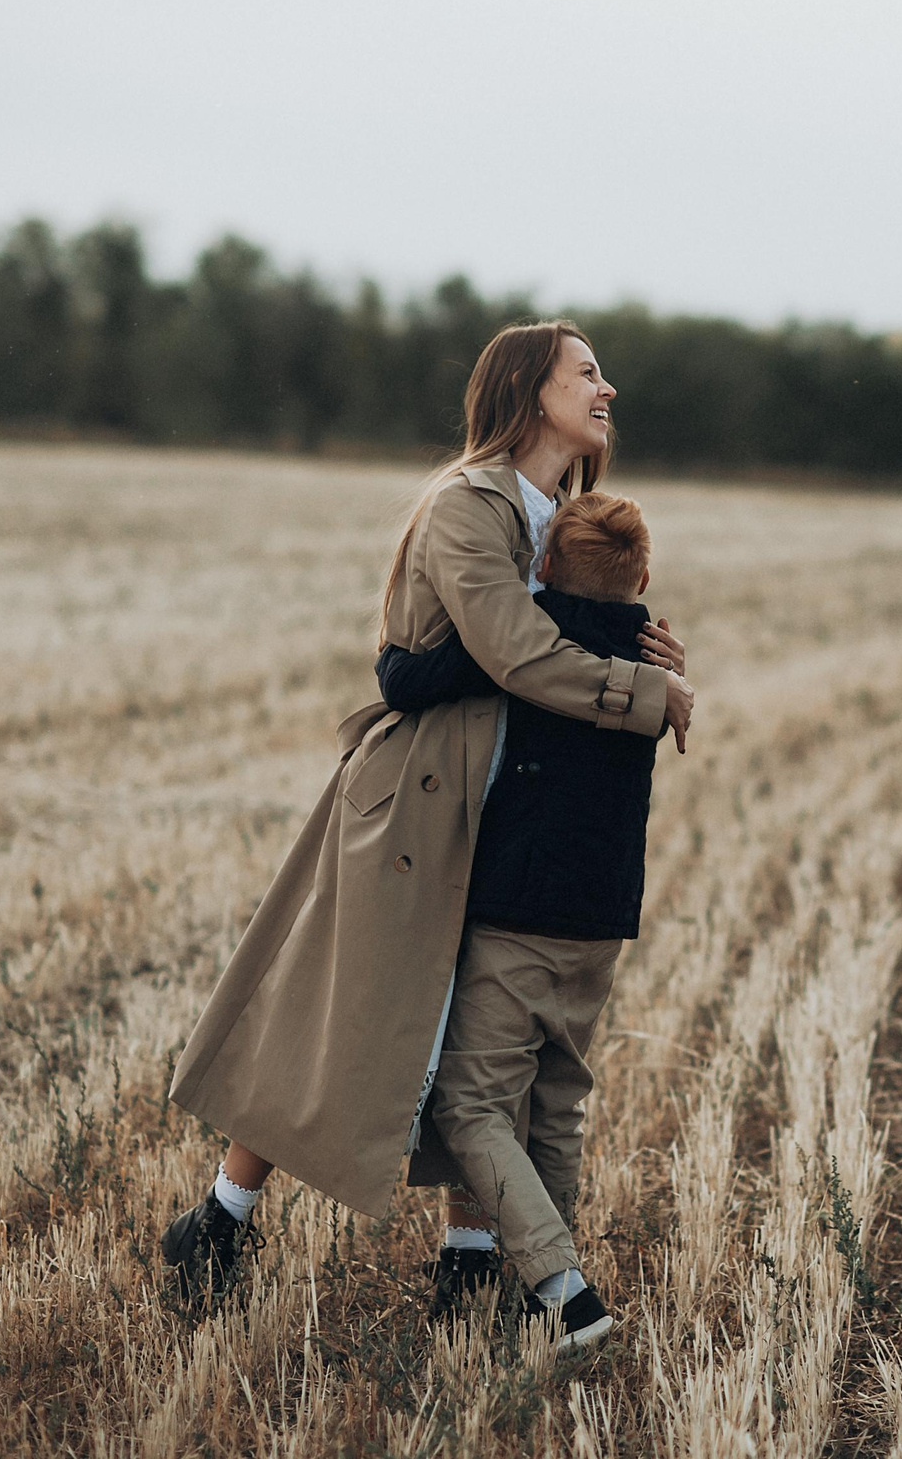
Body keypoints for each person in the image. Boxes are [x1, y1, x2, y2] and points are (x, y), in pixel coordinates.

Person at [157, 322, 694, 1319]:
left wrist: (646, 650)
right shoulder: (467, 506)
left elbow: (574, 637)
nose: (606, 388)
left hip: (511, 797)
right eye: (587, 374)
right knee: (344, 1019)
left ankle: (467, 1262)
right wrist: (640, 695)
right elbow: (518, 654)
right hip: (419, 801)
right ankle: (218, 1221)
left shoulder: (564, 511)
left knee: (474, 1035)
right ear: (532, 393)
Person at [371, 490, 669, 1345]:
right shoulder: (649, 663)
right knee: (559, 1098)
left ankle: (564, 1291)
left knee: (470, 1106)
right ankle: (543, 1286)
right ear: (643, 576)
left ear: (537, 568)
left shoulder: (534, 648)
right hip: (603, 918)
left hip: (519, 913)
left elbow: (406, 678)